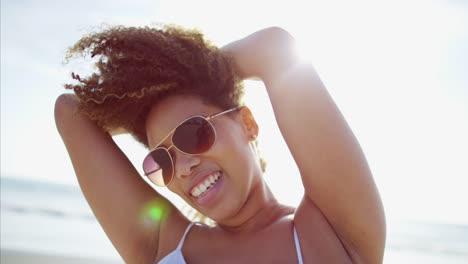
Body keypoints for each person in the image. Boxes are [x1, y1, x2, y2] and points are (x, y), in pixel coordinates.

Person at [55, 25, 386, 264]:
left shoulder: (333, 234)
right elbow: (70, 113)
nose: (183, 168)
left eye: (193, 134)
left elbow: (273, 49)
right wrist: (142, 98)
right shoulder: (159, 246)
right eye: (162, 162)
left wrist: (185, 76)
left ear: (247, 124)